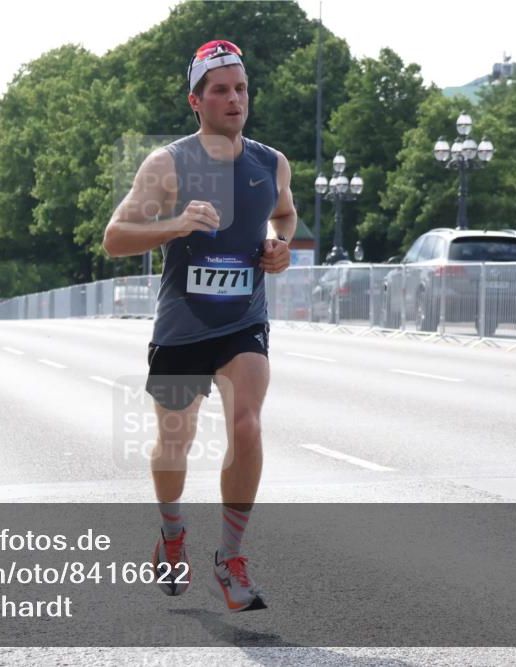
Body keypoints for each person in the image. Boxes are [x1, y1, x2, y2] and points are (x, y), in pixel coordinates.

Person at [102, 40, 295, 612]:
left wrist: (279, 245)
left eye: (241, 88)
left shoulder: (271, 162)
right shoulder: (168, 164)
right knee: (173, 443)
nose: (234, 98)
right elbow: (114, 238)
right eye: (221, 90)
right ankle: (172, 533)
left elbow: (284, 214)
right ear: (196, 100)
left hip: (243, 319)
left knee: (248, 424)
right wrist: (176, 223)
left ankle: (230, 559)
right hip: (183, 325)